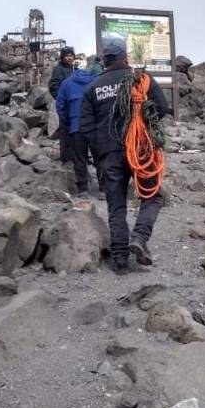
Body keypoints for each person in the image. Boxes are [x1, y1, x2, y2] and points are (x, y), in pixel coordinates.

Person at [80, 39, 169, 273]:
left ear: (105, 61)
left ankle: (120, 261)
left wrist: (99, 155)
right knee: (153, 196)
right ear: (125, 58)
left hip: (109, 154)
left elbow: (86, 128)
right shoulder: (142, 81)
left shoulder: (93, 89)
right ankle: (139, 238)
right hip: (141, 150)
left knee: (116, 204)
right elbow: (161, 107)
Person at [55, 66, 97, 195]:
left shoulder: (66, 83)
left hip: (76, 126)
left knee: (79, 158)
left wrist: (67, 121)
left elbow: (60, 105)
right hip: (94, 126)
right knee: (99, 157)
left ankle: (83, 188)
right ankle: (103, 189)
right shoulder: (96, 81)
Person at [48, 46, 76, 162]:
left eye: (71, 55)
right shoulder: (58, 70)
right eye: (67, 56)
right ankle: (65, 158)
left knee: (74, 130)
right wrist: (62, 100)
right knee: (65, 131)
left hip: (74, 105)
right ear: (62, 57)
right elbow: (53, 86)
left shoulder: (73, 68)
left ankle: (74, 156)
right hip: (65, 105)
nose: (69, 58)